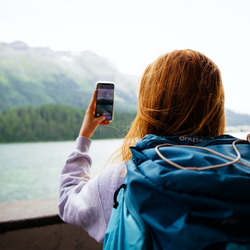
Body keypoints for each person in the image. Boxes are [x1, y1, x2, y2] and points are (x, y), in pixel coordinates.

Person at [58, 49, 227, 243]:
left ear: (150, 106)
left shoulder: (123, 178)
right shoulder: (239, 166)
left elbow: (67, 198)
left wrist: (84, 135)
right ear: (216, 105)